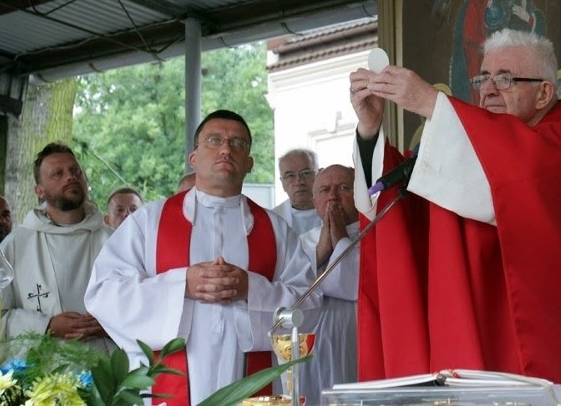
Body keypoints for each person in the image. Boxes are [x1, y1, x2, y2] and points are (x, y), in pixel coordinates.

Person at [349, 28, 561, 402]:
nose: (489, 90)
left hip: (552, 354)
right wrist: (370, 129)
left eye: (506, 79)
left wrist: (431, 102)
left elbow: (520, 172)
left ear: (545, 92)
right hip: (475, 353)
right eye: (483, 79)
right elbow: (406, 208)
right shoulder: (465, 145)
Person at [85, 110, 319, 405]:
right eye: (214, 140)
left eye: (238, 144)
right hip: (166, 390)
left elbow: (308, 307)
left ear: (249, 163)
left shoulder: (275, 230)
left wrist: (251, 289)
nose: (225, 149)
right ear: (193, 158)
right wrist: (182, 284)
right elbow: (103, 293)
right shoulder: (149, 222)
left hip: (250, 385)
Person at [0, 142, 113, 350]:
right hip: (40, 373)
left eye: (75, 170)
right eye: (57, 174)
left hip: (104, 368)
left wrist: (111, 324)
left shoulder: (113, 241)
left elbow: (138, 304)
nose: (70, 177)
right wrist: (46, 326)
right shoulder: (16, 245)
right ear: (39, 190)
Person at [297, 164, 359, 404]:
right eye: (324, 190)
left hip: (355, 345)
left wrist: (342, 241)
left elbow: (351, 285)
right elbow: (290, 292)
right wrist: (320, 253)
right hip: (312, 352)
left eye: (343, 187)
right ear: (314, 201)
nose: (333, 196)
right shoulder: (301, 243)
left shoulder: (374, 235)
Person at [273, 149, 322, 235]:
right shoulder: (273, 219)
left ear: (318, 175)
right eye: (290, 176)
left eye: (305, 173)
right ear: (282, 182)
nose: (299, 182)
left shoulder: (335, 212)